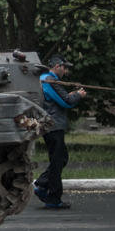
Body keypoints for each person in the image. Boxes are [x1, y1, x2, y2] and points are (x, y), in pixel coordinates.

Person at [35, 55, 86, 210]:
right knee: (58, 160)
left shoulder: (45, 80)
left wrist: (71, 95)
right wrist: (78, 95)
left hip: (51, 125)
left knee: (61, 158)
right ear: (57, 66)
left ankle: (43, 185)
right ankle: (52, 197)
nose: (66, 71)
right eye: (65, 67)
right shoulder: (49, 79)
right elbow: (66, 102)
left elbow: (56, 99)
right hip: (53, 125)